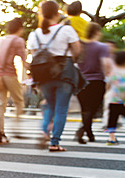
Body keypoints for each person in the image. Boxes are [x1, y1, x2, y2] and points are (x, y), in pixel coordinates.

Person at [27, 0, 81, 152]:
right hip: (64, 72)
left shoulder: (34, 34)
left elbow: (35, 55)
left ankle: (44, 131)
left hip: (44, 75)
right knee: (61, 108)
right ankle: (55, 142)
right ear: (57, 12)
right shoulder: (66, 30)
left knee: (50, 105)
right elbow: (77, 50)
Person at [74, 22, 110, 144]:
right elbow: (106, 64)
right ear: (96, 32)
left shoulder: (80, 46)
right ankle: (82, 129)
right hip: (97, 81)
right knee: (93, 109)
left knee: (85, 109)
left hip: (81, 81)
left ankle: (89, 133)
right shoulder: (102, 47)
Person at [0, 17, 28, 139]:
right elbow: (24, 61)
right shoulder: (18, 40)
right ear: (20, 28)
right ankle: (16, 126)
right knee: (19, 101)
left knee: (1, 103)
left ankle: (0, 132)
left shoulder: (1, 40)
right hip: (9, 74)